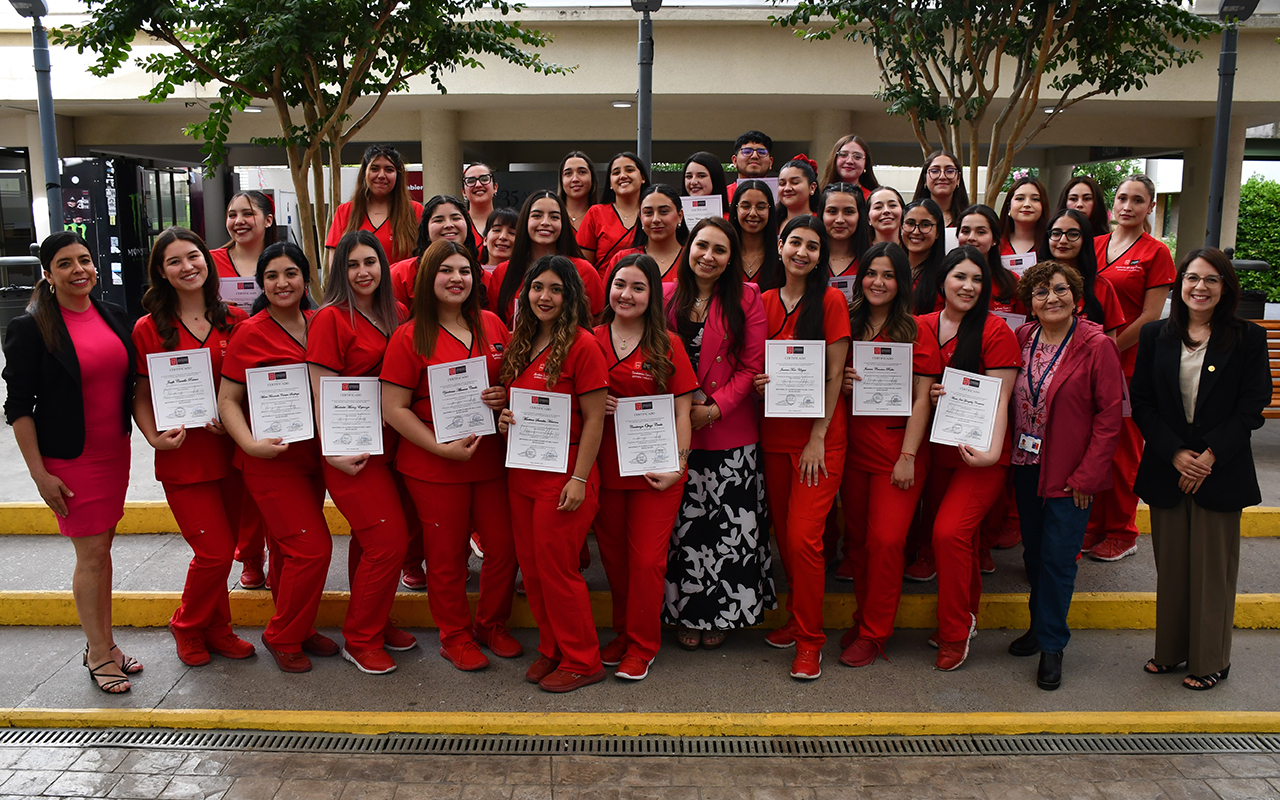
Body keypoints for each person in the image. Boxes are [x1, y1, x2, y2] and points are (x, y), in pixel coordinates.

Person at [3, 231, 138, 693]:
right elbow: (18, 406)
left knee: (103, 553)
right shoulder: (31, 327)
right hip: (70, 460)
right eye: (65, 263)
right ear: (48, 273)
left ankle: (107, 644)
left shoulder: (114, 314)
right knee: (93, 555)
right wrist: (39, 475)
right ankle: (98, 653)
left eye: (84, 260)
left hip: (114, 452)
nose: (78, 269)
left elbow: (131, 384)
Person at [1131, 247, 1269, 691]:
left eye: (1211, 280)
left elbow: (1252, 408)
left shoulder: (1247, 337)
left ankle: (1210, 660)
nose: (1200, 287)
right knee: (1172, 569)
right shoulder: (1156, 336)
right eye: (1192, 278)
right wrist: (1174, 453)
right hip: (1168, 467)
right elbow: (1143, 404)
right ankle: (1170, 652)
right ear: (1180, 284)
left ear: (1226, 287)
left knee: (1212, 572)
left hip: (1220, 470)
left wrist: (1208, 456)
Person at [382, 239, 522, 671]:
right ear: (428, 278)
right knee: (445, 557)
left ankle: (490, 624)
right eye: (446, 270)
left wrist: (503, 397)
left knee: (503, 548)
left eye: (464, 270)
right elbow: (393, 408)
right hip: (433, 465)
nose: (456, 278)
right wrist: (438, 447)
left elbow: (516, 382)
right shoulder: (411, 335)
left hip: (490, 460)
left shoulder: (493, 325)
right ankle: (454, 635)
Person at [132, 227, 256, 668]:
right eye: (174, 261)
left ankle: (218, 630)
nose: (187, 267)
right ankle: (187, 625)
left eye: (193, 257)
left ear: (207, 261)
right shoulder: (149, 329)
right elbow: (142, 395)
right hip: (183, 457)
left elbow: (249, 390)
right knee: (216, 551)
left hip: (232, 455)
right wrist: (152, 436)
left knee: (221, 550)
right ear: (161, 273)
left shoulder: (237, 321)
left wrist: (238, 419)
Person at [217, 242, 336, 673]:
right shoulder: (250, 331)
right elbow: (227, 399)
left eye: (291, 274)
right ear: (260, 284)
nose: (282, 283)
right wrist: (249, 445)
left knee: (289, 552)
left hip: (314, 457)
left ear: (306, 279)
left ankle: (299, 627)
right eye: (272, 276)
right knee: (313, 548)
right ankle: (282, 633)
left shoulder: (321, 321)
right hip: (269, 460)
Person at [1006, 260, 1124, 691]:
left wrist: (1089, 475)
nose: (1050, 298)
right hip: (1025, 465)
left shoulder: (1096, 345)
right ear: (1030, 303)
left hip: (1072, 475)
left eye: (1059, 290)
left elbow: (1111, 417)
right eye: (1040, 292)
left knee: (1058, 560)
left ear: (1077, 298)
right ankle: (1040, 627)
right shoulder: (1022, 337)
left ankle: (1053, 646)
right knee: (1034, 555)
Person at [306, 231, 419, 674]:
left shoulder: (400, 314)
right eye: (352, 265)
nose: (362, 272)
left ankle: (375, 616)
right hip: (351, 452)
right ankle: (361, 637)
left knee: (373, 542)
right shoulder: (330, 319)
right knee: (387, 541)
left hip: (396, 445)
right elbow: (319, 391)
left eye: (370, 262)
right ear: (340, 272)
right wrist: (329, 449)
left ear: (384, 267)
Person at [497, 255, 609, 693]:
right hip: (522, 472)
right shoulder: (521, 341)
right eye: (537, 287)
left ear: (570, 297)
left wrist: (580, 479)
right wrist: (505, 418)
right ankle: (553, 648)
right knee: (535, 570)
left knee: (558, 570)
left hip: (565, 475)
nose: (545, 296)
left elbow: (596, 419)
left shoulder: (583, 345)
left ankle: (583, 660)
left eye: (556, 289)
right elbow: (519, 403)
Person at [662, 217, 773, 650]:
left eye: (720, 250)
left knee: (727, 531)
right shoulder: (667, 295)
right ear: (688, 249)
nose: (709, 256)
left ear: (731, 259)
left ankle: (723, 614)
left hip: (728, 432)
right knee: (684, 532)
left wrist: (711, 410)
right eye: (702, 246)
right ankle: (686, 613)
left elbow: (751, 367)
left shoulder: (747, 298)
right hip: (674, 429)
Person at [755, 216, 851, 680]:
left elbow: (835, 374)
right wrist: (757, 383)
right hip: (774, 438)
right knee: (789, 545)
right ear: (780, 246)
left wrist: (818, 435)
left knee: (804, 539)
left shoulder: (830, 301)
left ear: (821, 257)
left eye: (813, 247)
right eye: (795, 242)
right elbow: (751, 364)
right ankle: (797, 620)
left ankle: (811, 641)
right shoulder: (763, 301)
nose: (802, 252)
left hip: (819, 440)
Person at [593, 254, 698, 680]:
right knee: (616, 561)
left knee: (647, 562)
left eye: (638, 287)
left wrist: (679, 466)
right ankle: (624, 631)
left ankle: (642, 644)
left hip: (657, 472)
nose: (626, 294)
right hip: (605, 467)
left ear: (652, 294)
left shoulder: (667, 344)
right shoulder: (589, 339)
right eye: (620, 284)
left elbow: (682, 413)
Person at [836, 242, 940, 666]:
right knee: (859, 541)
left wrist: (909, 456)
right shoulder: (848, 322)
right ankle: (866, 619)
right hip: (852, 450)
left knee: (886, 540)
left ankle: (876, 633)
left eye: (889, 275)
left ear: (903, 282)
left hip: (898, 452)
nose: (878, 283)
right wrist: (837, 382)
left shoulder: (917, 330)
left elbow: (922, 399)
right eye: (871, 273)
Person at [918, 246, 1020, 670]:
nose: (969, 286)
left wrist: (992, 453)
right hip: (935, 452)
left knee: (948, 534)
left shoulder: (996, 331)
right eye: (960, 276)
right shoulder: (921, 325)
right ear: (943, 280)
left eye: (977, 279)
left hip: (980, 456)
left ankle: (955, 631)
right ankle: (965, 616)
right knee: (961, 540)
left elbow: (1001, 400)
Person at [1087, 174, 1176, 562]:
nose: (1127, 206)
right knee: (1089, 447)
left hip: (1127, 367)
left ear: (1150, 207)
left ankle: (1122, 531)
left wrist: (1107, 348)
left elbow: (1151, 317)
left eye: (1137, 200)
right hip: (1087, 363)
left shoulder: (1156, 253)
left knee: (1122, 452)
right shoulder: (1093, 246)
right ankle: (1091, 526)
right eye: (1122, 198)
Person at [210, 191, 273, 590]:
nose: (238, 221)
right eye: (232, 214)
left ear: (267, 219)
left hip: (270, 379)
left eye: (248, 213)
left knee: (269, 474)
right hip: (224, 373)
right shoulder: (211, 261)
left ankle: (272, 548)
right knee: (238, 480)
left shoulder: (281, 257)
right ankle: (249, 556)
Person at [488, 190, 605, 326]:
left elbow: (598, 323)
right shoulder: (503, 272)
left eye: (554, 217)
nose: (545, 222)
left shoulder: (584, 271)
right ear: (525, 221)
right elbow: (493, 326)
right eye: (537, 216)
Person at [325, 144, 423, 265]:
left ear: (398, 176)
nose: (381, 175)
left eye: (389, 170)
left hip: (401, 284)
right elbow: (335, 264)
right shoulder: (345, 211)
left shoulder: (415, 210)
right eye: (374, 169)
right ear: (364, 174)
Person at [1039, 208, 1124, 337]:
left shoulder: (1102, 287)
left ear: (1085, 240)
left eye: (1073, 234)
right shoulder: (1035, 284)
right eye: (1056, 233)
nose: (1062, 240)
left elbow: (1110, 343)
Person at [389, 195, 478, 308]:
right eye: (439, 220)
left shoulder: (483, 276)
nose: (449, 225)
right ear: (426, 232)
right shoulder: (401, 274)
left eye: (455, 218)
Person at [578, 151, 650, 274]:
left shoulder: (654, 215)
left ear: (643, 178)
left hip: (646, 289)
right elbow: (582, 267)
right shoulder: (596, 213)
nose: (623, 176)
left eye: (629, 170)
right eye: (616, 172)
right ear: (610, 183)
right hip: (602, 290)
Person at [607, 184, 688, 279]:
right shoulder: (622, 259)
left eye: (664, 211)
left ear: (679, 216)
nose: (656, 219)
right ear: (640, 217)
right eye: (648, 212)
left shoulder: (692, 260)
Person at [957, 205, 1020, 314]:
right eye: (965, 231)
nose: (971, 237)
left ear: (995, 239)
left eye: (981, 232)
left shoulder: (1011, 281)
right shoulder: (946, 278)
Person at [730, 179, 782, 290]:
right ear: (736, 209)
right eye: (745, 206)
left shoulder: (781, 257)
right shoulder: (724, 254)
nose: (753, 213)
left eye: (761, 207)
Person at [821, 182, 871, 288]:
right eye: (832, 211)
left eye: (848, 212)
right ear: (822, 214)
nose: (839, 220)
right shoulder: (808, 256)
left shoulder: (873, 258)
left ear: (860, 215)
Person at [902, 199, 948, 315]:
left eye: (925, 225)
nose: (916, 231)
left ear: (938, 232)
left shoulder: (945, 276)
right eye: (910, 223)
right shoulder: (892, 267)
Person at [913, 151, 970, 233]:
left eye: (950, 171)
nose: (942, 176)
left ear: (958, 179)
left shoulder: (969, 219)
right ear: (925, 179)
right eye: (935, 171)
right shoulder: (909, 218)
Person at [998, 177, 1048, 262]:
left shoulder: (1052, 245)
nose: (1027, 204)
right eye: (1020, 198)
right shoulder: (995, 245)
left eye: (1035, 199)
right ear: (1009, 206)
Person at [1057, 176, 1110, 240]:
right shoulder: (1053, 239)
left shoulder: (1107, 242)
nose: (1079, 204)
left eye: (1087, 199)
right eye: (1073, 199)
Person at [558, 150, 599, 233]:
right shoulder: (552, 217)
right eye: (568, 173)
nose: (575, 179)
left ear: (592, 178)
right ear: (561, 180)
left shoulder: (603, 217)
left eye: (582, 172)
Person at [776, 155, 820, 228]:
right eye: (782, 184)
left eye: (795, 182)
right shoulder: (773, 223)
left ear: (812, 188)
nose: (787, 188)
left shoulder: (822, 223)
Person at [462, 163, 497, 249]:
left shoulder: (510, 223)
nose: (478, 185)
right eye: (471, 181)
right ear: (463, 192)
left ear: (495, 188)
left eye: (484, 179)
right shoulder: (458, 224)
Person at [480, 207, 519, 273]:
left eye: (512, 233)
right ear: (485, 240)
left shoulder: (526, 275)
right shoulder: (472, 273)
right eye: (497, 230)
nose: (503, 237)